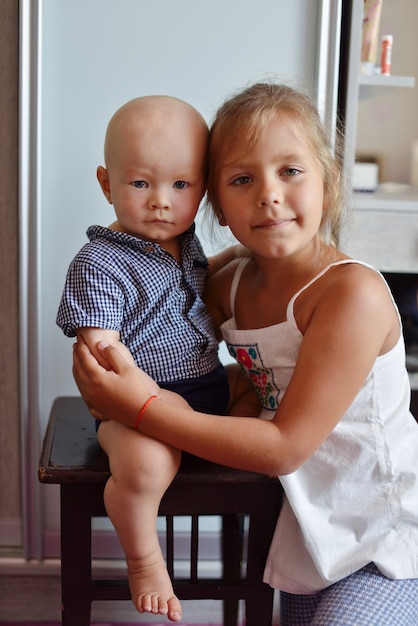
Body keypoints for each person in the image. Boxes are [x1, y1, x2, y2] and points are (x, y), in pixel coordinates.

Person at [72, 83, 418, 625]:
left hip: (384, 535)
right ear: (214, 206)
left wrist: (139, 407)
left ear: (327, 182)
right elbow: (145, 293)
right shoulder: (229, 283)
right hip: (306, 533)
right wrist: (104, 369)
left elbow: (284, 447)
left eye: (291, 171)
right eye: (241, 179)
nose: (269, 195)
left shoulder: (351, 295)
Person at [56, 95, 258, 622]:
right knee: (148, 464)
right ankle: (144, 558)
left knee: (265, 389)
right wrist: (152, 402)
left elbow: (199, 285)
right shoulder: (101, 261)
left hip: (207, 388)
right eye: (141, 183)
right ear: (107, 184)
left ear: (202, 189)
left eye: (181, 185)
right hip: (135, 405)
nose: (161, 201)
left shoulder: (184, 245)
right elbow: (103, 353)